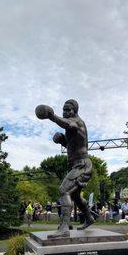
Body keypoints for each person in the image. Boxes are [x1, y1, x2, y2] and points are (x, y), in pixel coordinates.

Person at [36, 99, 94, 238]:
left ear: (75, 111)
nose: (65, 112)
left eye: (68, 110)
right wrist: (62, 140)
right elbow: (72, 145)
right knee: (75, 195)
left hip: (83, 164)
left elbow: (69, 124)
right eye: (64, 110)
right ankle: (89, 218)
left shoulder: (76, 122)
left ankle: (64, 228)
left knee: (64, 190)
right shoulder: (70, 127)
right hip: (77, 164)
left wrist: (52, 116)